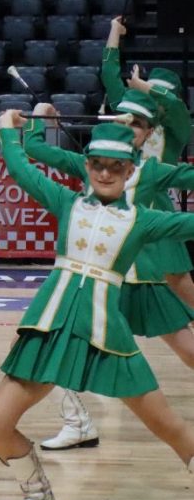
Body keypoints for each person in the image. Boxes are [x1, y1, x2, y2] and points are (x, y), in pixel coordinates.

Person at [0, 113, 194, 500]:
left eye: (115, 166)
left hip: (106, 336)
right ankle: (39, 496)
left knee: (168, 426)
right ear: (87, 166)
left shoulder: (142, 220)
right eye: (97, 163)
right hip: (50, 327)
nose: (104, 172)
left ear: (130, 170)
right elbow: (22, 170)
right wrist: (9, 131)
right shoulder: (67, 202)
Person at [23, 95, 194, 451]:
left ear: (148, 134)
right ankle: (77, 422)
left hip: (142, 277)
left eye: (137, 124)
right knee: (57, 342)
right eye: (124, 119)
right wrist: (41, 116)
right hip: (91, 284)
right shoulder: (88, 163)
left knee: (187, 348)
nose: (129, 127)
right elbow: (35, 149)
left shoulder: (151, 172)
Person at [101, 16, 194, 310]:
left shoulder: (177, 125)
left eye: (154, 91)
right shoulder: (133, 116)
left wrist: (144, 86)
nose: (147, 94)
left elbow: (177, 107)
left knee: (180, 282)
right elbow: (108, 74)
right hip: (122, 206)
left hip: (156, 208)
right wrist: (115, 31)